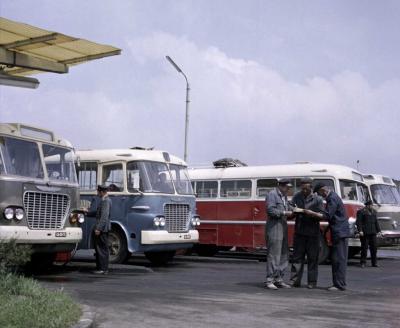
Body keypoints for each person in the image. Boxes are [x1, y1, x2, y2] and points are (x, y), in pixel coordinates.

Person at [314, 182, 350, 291]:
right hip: (340, 231)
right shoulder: (334, 197)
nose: (320, 196)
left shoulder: (332, 198)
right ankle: (339, 283)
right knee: (338, 258)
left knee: (338, 259)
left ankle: (339, 284)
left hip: (339, 232)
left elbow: (328, 215)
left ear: (322, 190)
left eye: (320, 193)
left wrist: (314, 213)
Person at [290, 178, 325, 289]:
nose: (304, 191)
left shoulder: (318, 199)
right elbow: (290, 205)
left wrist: (312, 214)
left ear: (311, 188)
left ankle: (312, 282)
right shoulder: (297, 196)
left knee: (312, 259)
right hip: (299, 232)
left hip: (313, 233)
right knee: (297, 258)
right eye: (302, 188)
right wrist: (294, 209)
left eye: (306, 189)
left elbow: (322, 214)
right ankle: (295, 281)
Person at [264, 179, 293, 290]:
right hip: (274, 226)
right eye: (287, 187)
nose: (288, 189)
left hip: (283, 226)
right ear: (281, 186)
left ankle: (279, 279)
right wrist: (285, 212)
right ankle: (270, 280)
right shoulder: (272, 195)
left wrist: (293, 210)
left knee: (284, 254)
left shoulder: (284, 196)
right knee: (274, 254)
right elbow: (270, 210)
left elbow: (285, 209)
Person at [85, 185, 112, 274]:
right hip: (103, 229)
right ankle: (102, 268)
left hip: (103, 229)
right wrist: (87, 213)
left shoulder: (105, 201)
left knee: (101, 249)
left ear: (102, 192)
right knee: (101, 249)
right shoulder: (105, 200)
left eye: (98, 192)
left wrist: (98, 228)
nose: (97, 193)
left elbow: (104, 216)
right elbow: (98, 213)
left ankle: (103, 269)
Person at [356, 200, 382, 268]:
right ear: (367, 205)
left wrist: (379, 231)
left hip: (373, 232)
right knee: (364, 248)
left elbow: (376, 222)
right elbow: (359, 222)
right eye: (370, 205)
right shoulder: (361, 212)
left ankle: (374, 262)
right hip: (365, 233)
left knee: (374, 248)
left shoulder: (374, 212)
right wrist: (360, 230)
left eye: (372, 205)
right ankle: (363, 262)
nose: (371, 206)